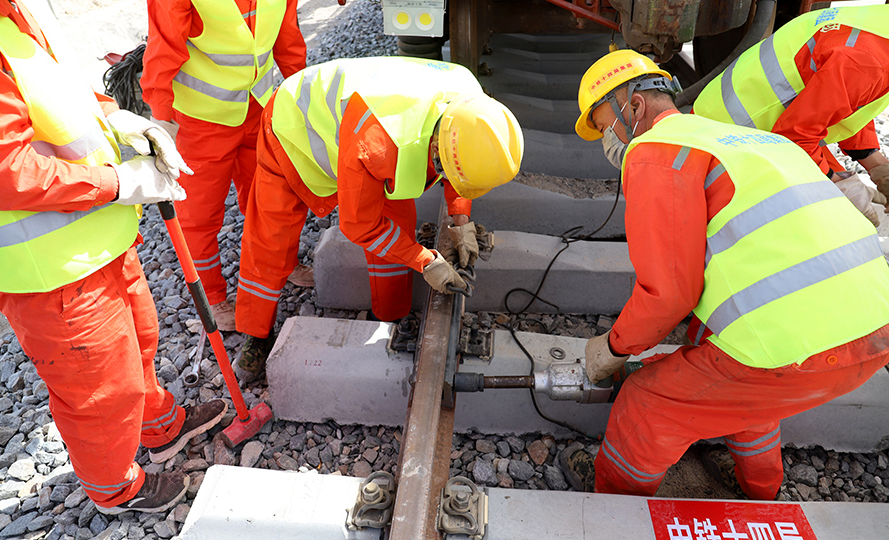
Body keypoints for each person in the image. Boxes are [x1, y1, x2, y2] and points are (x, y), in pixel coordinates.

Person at [563, 49, 889, 500]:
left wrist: (613, 347)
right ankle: (760, 488)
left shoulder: (658, 152)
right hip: (873, 334)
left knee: (647, 403)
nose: (607, 141)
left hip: (792, 356)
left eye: (603, 125)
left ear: (634, 106)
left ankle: (618, 503)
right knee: (745, 388)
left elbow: (668, 294)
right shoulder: (752, 140)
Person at [0, 0, 227, 514]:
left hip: (98, 238)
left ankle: (158, 425)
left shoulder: (9, 15)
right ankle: (114, 488)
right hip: (50, 271)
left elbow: (58, 103)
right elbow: (6, 173)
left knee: (138, 342)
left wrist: (117, 117)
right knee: (98, 389)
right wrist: (119, 182)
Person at [234, 56, 523, 381]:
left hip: (367, 133)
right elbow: (360, 225)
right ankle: (255, 335)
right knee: (271, 238)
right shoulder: (376, 143)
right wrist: (425, 261)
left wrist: (461, 220)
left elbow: (459, 169)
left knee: (396, 232)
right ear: (436, 149)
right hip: (293, 130)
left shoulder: (471, 107)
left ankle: (387, 317)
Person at [141, 0, 308, 331]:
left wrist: (301, 96)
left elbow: (288, 39)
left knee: (272, 198)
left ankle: (282, 265)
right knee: (199, 216)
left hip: (258, 106)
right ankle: (213, 298)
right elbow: (164, 46)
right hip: (201, 118)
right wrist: (161, 118)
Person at [693, 4, 889, 227]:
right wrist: (840, 186)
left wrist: (875, 163)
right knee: (833, 222)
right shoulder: (868, 61)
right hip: (727, 140)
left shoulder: (877, 27)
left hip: (752, 119)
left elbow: (846, 101)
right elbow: (796, 136)